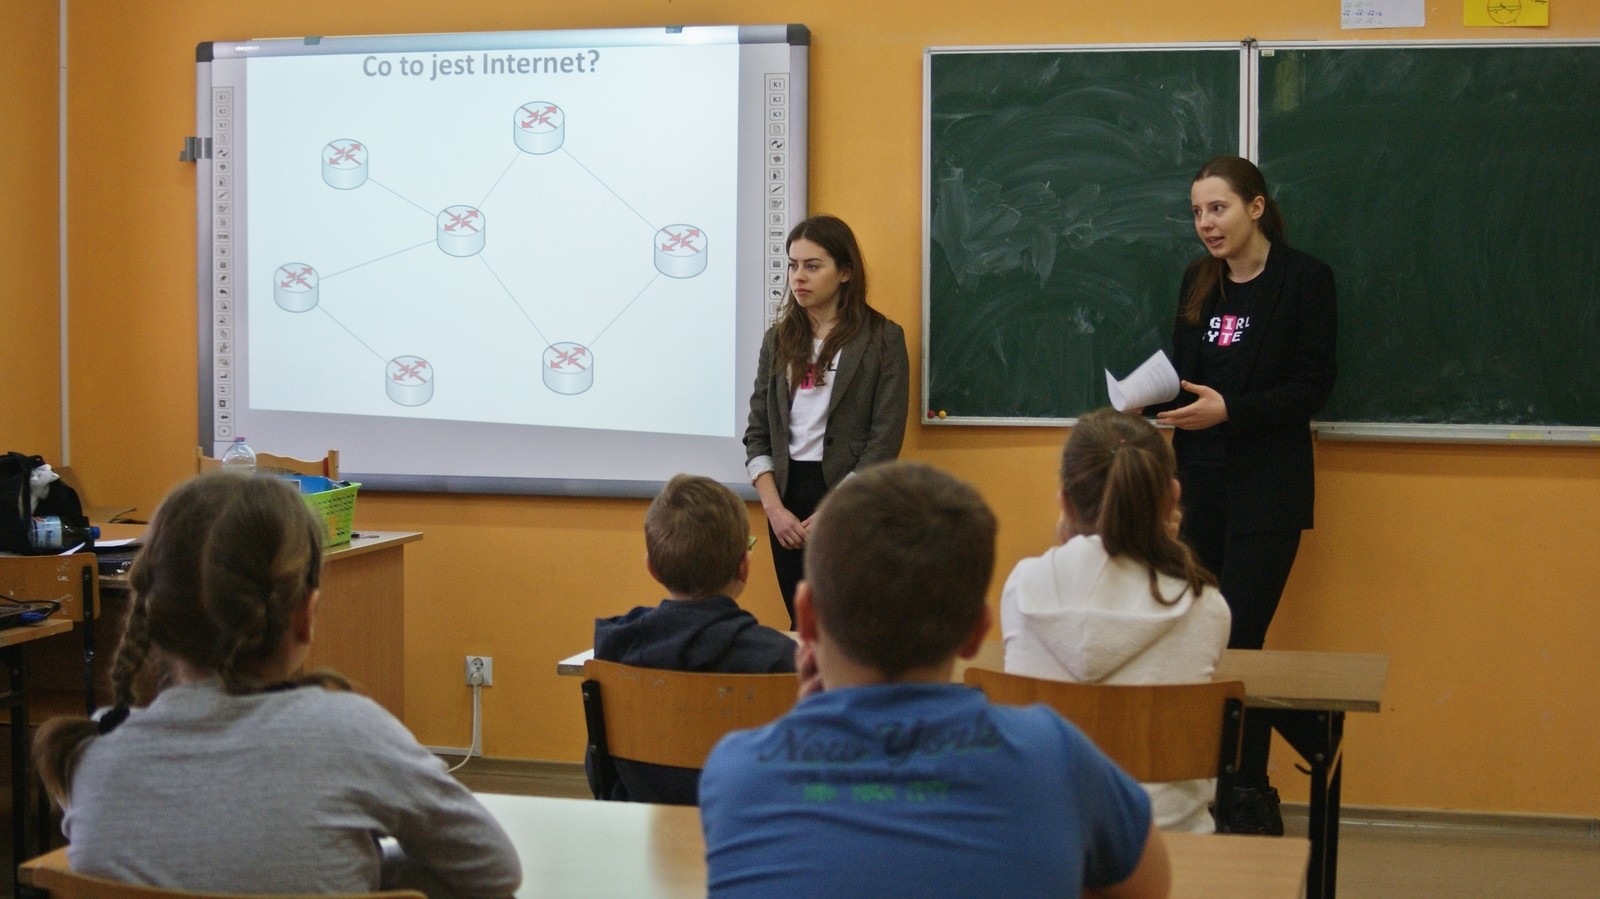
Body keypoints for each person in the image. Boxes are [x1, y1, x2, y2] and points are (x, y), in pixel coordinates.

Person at [33, 473, 521, 896]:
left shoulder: (97, 756)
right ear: (306, 615)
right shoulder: (350, 734)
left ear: (152, 615)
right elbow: (492, 869)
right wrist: (364, 871)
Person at [699, 462, 1171, 899]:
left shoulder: (738, 774)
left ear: (806, 617)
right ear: (977, 631)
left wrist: (810, 723)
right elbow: (1150, 888)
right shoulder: (1057, 757)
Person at [1152, 154, 1338, 834]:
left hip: (1268, 488)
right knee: (1199, 634)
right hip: (1199, 482)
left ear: (1256, 207)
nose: (1206, 223)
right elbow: (1185, 375)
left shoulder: (1304, 279)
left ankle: (1248, 790)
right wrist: (1155, 400)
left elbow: (1313, 386)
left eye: (1218, 208)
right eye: (1198, 212)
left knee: (1239, 636)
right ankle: (1215, 783)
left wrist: (1231, 410)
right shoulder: (1198, 281)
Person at [1000, 408, 1232, 833]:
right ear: (1172, 498)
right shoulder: (1204, 604)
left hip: (1045, 840)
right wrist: (1163, 543)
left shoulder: (1022, 587)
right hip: (1170, 842)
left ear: (1064, 500)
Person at [589, 473, 796, 804]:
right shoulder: (779, 658)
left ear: (652, 568)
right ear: (744, 567)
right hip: (744, 827)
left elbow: (599, 771)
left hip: (643, 826)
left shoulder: (616, 646)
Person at [744, 214, 909, 627]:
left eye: (812, 266)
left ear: (845, 272)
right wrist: (774, 509)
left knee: (846, 624)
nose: (798, 277)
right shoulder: (778, 340)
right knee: (802, 622)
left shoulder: (882, 338)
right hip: (787, 498)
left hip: (849, 495)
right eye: (793, 265)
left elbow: (885, 438)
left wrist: (838, 507)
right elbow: (758, 433)